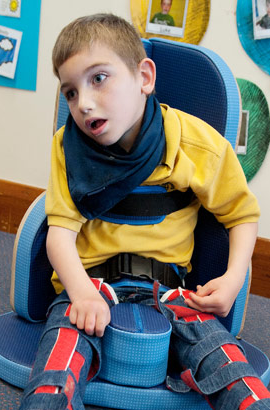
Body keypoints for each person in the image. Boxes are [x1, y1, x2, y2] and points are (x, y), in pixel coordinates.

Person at [19, 13, 270, 410]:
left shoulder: (195, 144)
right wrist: (82, 293)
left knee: (236, 379)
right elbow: (60, 234)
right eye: (70, 92)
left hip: (173, 292)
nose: (82, 104)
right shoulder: (66, 147)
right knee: (52, 382)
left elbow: (240, 215)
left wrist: (234, 278)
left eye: (98, 79)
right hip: (90, 284)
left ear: (144, 78)